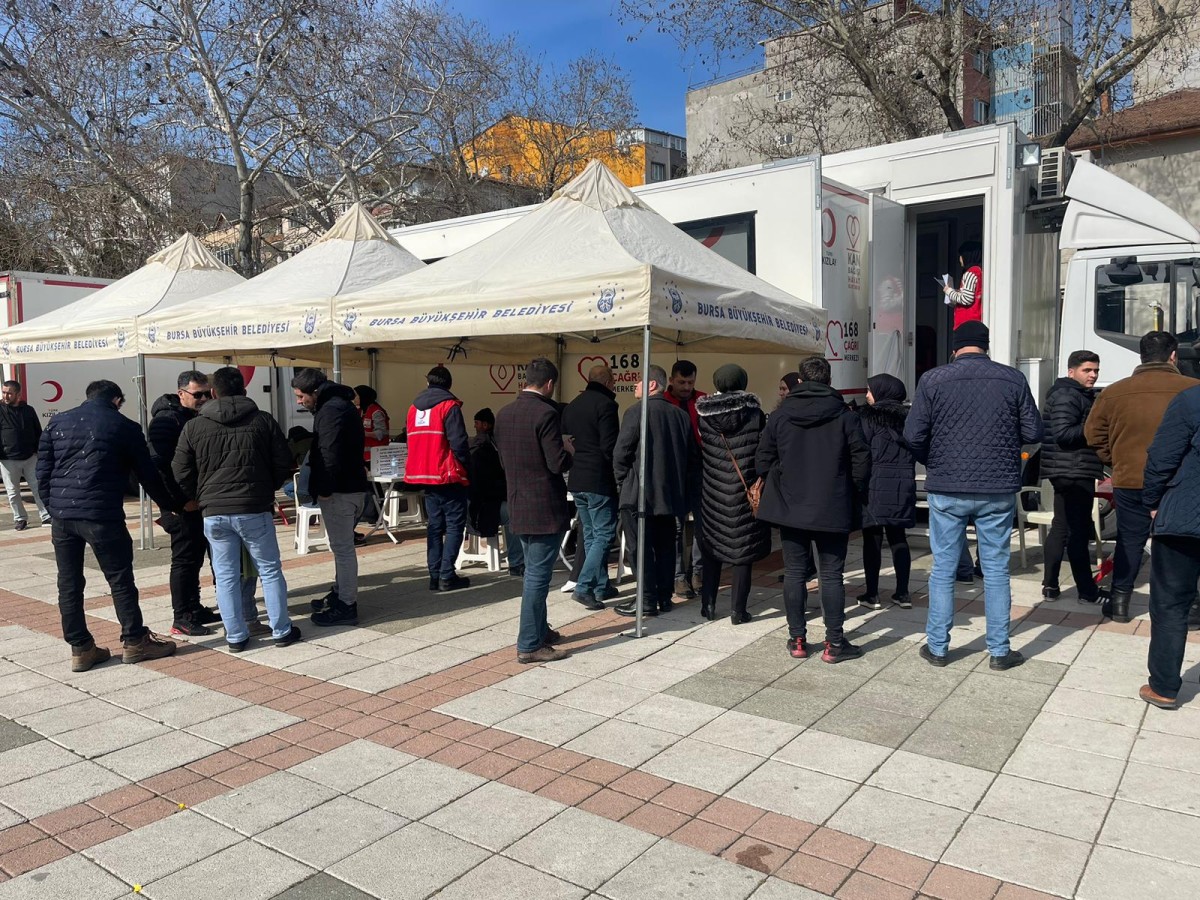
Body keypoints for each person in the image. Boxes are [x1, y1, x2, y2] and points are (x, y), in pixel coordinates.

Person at [905, 321, 1043, 669]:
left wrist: (934, 461)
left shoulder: (933, 379)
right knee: (995, 570)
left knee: (943, 569)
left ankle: (938, 647)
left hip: (947, 486)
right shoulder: (1012, 379)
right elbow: (1033, 431)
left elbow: (913, 434)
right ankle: (999, 651)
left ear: (955, 348)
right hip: (997, 487)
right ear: (986, 346)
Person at [37, 380, 179, 670]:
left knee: (69, 583)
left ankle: (81, 648)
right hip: (102, 514)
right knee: (120, 580)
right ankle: (135, 641)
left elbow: (43, 471)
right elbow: (147, 474)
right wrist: (169, 505)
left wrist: (53, 507)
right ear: (116, 400)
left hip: (63, 516)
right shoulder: (124, 426)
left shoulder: (57, 422)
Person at [175, 367, 299, 651]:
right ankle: (281, 631)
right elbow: (283, 461)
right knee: (269, 570)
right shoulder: (263, 420)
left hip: (214, 511)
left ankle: (235, 636)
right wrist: (266, 488)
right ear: (244, 390)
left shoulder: (194, 426)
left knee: (226, 575)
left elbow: (180, 470)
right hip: (254, 507)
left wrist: (201, 495)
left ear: (213, 392)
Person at [758, 357, 870, 662]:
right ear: (829, 381)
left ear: (800, 381)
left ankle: (797, 639)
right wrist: (851, 488)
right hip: (832, 503)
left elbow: (762, 460)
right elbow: (861, 459)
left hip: (790, 504)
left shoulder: (780, 416)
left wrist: (781, 479)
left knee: (795, 572)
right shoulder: (845, 416)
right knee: (831, 575)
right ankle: (834, 643)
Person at [1085, 331, 1196, 623]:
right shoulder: (1193, 389)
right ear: (1173, 356)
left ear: (1141, 356)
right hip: (1181, 483)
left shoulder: (1114, 392)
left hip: (1130, 478)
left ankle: (1120, 602)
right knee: (1185, 543)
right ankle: (1191, 606)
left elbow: (1093, 435)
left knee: (1130, 541)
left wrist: (1116, 460)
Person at [495, 358, 573, 664]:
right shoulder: (546, 413)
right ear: (550, 384)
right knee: (538, 577)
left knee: (533, 571)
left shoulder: (504, 413)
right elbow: (556, 463)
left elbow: (504, 461)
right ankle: (529, 643)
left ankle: (540, 630)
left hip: (518, 501)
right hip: (543, 505)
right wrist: (569, 451)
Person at [614, 364, 698, 617]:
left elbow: (621, 453)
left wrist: (622, 483)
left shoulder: (636, 411)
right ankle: (663, 596)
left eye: (639, 381)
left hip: (640, 494)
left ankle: (647, 599)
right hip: (670, 495)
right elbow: (692, 458)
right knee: (665, 547)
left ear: (651, 384)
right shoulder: (680, 415)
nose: (635, 385)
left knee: (640, 549)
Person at [147, 371, 224, 637]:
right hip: (180, 505)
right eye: (197, 394)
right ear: (181, 394)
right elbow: (160, 468)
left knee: (196, 558)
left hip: (197, 501)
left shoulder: (192, 416)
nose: (203, 399)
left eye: (207, 394)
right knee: (184, 560)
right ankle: (181, 617)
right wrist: (179, 502)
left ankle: (194, 607)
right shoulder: (165, 421)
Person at [292, 368, 369, 625]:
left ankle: (346, 604)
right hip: (350, 487)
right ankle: (340, 593)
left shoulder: (330, 410)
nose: (299, 401)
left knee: (343, 549)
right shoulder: (339, 405)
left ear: (315, 392)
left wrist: (324, 489)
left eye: (301, 396)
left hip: (341, 491)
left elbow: (329, 453)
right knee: (342, 548)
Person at [1140, 382, 1200, 709]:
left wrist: (1152, 501)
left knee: (1171, 604)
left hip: (1186, 516)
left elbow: (1162, 457)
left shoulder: (1191, 399)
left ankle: (1163, 686)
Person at [696, 364, 770, 623]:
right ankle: (738, 611)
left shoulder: (704, 416)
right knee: (743, 551)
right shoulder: (755, 414)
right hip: (744, 491)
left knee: (712, 547)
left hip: (713, 491)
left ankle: (708, 604)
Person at [1039, 351, 1103, 604]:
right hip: (1074, 470)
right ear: (1071, 371)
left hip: (1068, 468)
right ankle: (1086, 591)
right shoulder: (1068, 395)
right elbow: (1064, 434)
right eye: (1087, 370)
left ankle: (1050, 586)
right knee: (1077, 531)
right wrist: (1094, 425)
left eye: (1096, 370)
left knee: (1061, 526)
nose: (1093, 375)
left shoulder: (1071, 394)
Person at [405, 365, 472, 591]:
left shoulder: (413, 408)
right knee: (454, 526)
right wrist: (466, 467)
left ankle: (434, 575)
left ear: (428, 382)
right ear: (449, 384)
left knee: (434, 526)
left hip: (423, 475)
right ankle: (446, 575)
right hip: (447, 474)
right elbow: (459, 443)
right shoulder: (449, 406)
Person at [561, 363, 620, 611]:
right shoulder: (606, 405)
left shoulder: (572, 405)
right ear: (607, 381)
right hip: (598, 479)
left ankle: (601, 585)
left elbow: (567, 442)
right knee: (604, 535)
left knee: (591, 535)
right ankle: (584, 587)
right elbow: (609, 447)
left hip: (576, 478)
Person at [857, 374, 915, 611]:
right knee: (898, 537)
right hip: (903, 483)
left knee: (872, 538)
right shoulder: (910, 418)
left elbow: (861, 449)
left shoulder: (868, 417)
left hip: (875, 482)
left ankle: (872, 594)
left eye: (869, 390)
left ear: (881, 391)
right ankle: (903, 593)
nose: (867, 395)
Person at [664, 359, 706, 599]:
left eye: (690, 382)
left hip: (699, 470)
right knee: (677, 528)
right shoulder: (663, 402)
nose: (686, 387)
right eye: (682, 382)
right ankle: (679, 576)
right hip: (674, 473)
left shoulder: (702, 401)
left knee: (703, 524)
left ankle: (698, 572)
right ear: (671, 380)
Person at [468, 408, 523, 577]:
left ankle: (519, 559)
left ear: (485, 425)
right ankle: (517, 562)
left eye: (477, 423)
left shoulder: (480, 447)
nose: (475, 426)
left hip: (479, 502)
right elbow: (487, 485)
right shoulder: (485, 449)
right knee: (514, 513)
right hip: (482, 507)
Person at [0, 379, 50, 530]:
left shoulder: (28, 410)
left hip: (30, 457)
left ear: (18, 395)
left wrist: (38, 450)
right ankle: (20, 518)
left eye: (9, 393)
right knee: (13, 492)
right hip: (8, 459)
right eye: (4, 392)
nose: (5, 396)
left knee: (38, 488)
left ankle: (46, 516)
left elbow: (37, 430)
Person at [943, 240, 983, 328]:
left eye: (961, 255)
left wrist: (948, 291)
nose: (960, 259)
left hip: (967, 323)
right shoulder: (979, 271)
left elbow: (966, 299)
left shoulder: (971, 273)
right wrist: (956, 292)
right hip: (974, 322)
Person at [355, 385, 390, 463]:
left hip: (376, 457)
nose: (354, 398)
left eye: (356, 395)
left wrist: (363, 433)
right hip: (363, 456)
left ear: (363, 396)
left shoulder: (376, 412)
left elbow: (381, 433)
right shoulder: (360, 411)